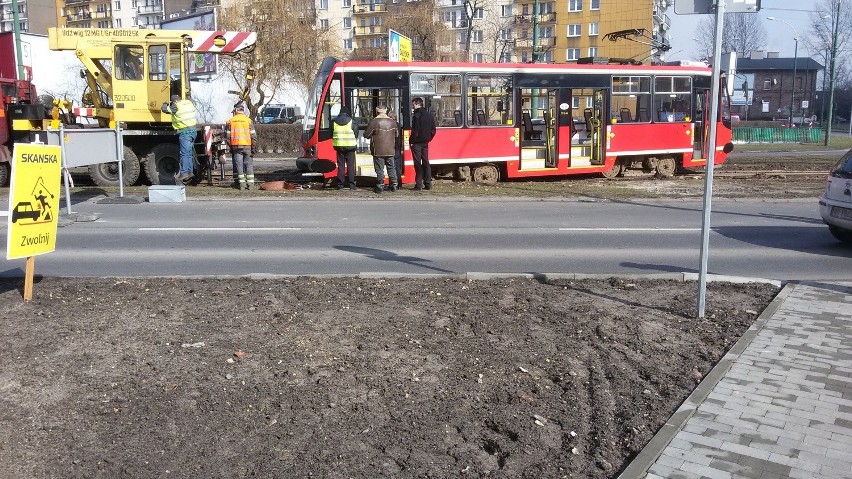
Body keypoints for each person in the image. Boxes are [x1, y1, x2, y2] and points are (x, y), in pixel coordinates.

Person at [161, 94, 198, 183]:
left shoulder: (175, 105)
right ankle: (190, 171)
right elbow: (195, 103)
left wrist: (165, 103)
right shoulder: (189, 103)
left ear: (174, 101)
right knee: (188, 153)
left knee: (184, 154)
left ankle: (184, 173)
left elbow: (165, 109)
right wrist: (189, 96)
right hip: (193, 132)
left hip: (185, 132)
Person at [363, 105, 399, 193]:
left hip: (378, 149)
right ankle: (394, 185)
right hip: (390, 149)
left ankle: (380, 185)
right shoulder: (392, 122)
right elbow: (396, 135)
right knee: (391, 167)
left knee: (379, 169)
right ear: (386, 111)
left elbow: (366, 135)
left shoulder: (374, 122)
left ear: (377, 111)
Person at [224, 103, 258, 190]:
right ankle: (251, 185)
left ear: (236, 110)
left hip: (236, 147)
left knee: (239, 166)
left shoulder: (230, 121)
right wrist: (253, 148)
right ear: (243, 111)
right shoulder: (249, 120)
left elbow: (227, 137)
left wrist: (230, 147)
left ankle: (242, 185)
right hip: (247, 146)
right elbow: (253, 136)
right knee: (249, 165)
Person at [410, 97, 436, 191]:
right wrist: (429, 138)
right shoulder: (429, 115)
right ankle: (428, 184)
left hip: (417, 143)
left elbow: (415, 131)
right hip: (426, 142)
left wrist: (412, 141)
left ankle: (418, 185)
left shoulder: (417, 115)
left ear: (417, 104)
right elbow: (433, 130)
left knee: (417, 163)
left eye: (413, 105)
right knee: (426, 162)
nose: (412, 107)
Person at [332, 105, 358, 190]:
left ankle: (340, 185)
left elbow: (331, 133)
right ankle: (352, 185)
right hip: (350, 147)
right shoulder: (352, 122)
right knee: (350, 166)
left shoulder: (334, 122)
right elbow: (356, 133)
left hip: (339, 146)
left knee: (341, 166)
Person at [388, 109, 404, 190]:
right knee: (398, 167)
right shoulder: (398, 125)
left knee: (392, 167)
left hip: (392, 148)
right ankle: (399, 183)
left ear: (391, 117)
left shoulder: (391, 126)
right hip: (398, 148)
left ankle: (394, 183)